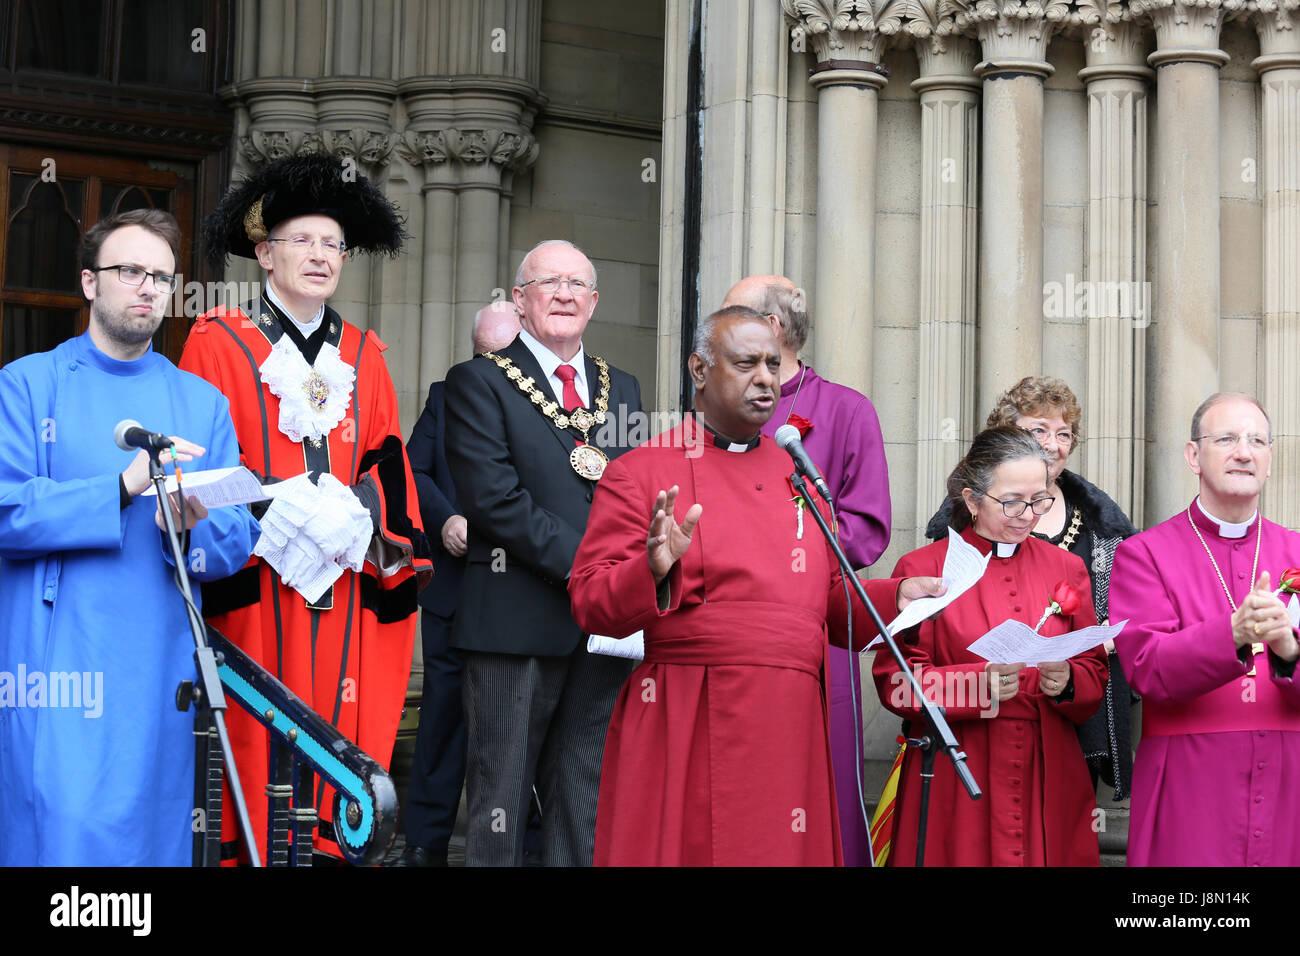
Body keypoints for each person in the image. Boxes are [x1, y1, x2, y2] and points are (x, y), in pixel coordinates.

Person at [569, 305, 944, 866]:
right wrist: (650, 569)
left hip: (788, 719)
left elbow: (824, 602)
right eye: (746, 363)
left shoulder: (800, 477)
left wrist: (893, 598)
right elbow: (590, 602)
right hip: (686, 710)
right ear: (699, 370)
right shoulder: (641, 470)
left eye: (773, 363)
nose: (766, 378)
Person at [179, 155, 433, 862]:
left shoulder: (364, 352)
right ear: (264, 252)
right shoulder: (218, 339)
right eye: (303, 240)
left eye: (334, 245)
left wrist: (360, 515)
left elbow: (388, 465)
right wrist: (272, 506)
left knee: (336, 741)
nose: (322, 256)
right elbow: (200, 464)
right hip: (258, 585)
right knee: (261, 744)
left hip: (344, 583)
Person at [0, 209, 259, 865]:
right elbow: (8, 511)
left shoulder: (201, 402)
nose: (148, 287)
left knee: (153, 837)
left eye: (162, 277)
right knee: (64, 831)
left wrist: (194, 520)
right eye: (130, 271)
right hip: (59, 662)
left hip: (159, 665)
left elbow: (232, 542)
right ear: (90, 282)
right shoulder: (28, 385)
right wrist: (123, 486)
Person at [444, 239, 643, 866]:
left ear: (594, 301)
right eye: (548, 282)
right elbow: (494, 501)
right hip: (514, 625)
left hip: (600, 632)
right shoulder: (477, 381)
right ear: (521, 298)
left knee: (583, 800)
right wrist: (596, 566)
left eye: (577, 284)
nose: (564, 294)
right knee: (500, 805)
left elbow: (631, 495)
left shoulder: (624, 386)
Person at [874, 426, 1109, 866]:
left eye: (1040, 500)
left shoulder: (1066, 566)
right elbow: (895, 684)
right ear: (971, 500)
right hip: (958, 767)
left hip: (1048, 767)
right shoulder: (923, 568)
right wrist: (973, 684)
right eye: (1012, 502)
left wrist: (1069, 681)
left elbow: (1095, 673)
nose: (1028, 514)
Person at [721, 274, 892, 866]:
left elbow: (866, 531)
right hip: (723, 634)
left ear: (770, 330)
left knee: (819, 790)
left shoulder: (847, 410)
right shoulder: (717, 411)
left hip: (816, 628)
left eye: (731, 314)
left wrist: (773, 553)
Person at [1109, 393, 1300, 866]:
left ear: (1270, 460)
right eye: (1227, 438)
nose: (1243, 451)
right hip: (1189, 787)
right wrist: (1232, 631)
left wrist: (1288, 651)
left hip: (1287, 784)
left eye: (1257, 440)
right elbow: (1146, 669)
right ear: (1193, 456)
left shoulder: (1297, 551)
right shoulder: (1144, 554)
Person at [926, 376, 1138, 799]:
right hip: (982, 712)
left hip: (1073, 710)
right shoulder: (961, 523)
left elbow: (1137, 612)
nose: (1053, 443)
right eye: (1038, 429)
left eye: (1063, 433)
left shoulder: (1104, 523)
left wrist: (1108, 641)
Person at [398, 303, 521, 867]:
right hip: (453, 591)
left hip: (522, 591)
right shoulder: (445, 397)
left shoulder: (547, 403)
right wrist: (445, 517)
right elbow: (410, 470)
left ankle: (515, 848)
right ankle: (425, 842)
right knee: (442, 722)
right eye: (484, 358)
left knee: (515, 728)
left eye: (506, 359)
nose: (493, 371)